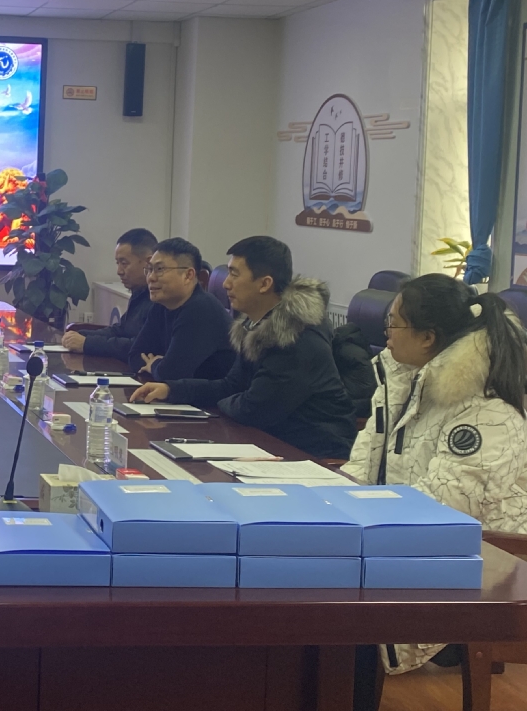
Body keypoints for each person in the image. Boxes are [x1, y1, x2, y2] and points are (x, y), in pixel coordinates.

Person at [341, 275, 527, 697]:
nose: (385, 334)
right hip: (402, 537)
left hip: (480, 561)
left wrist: (363, 528)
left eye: (393, 324)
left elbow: (447, 508)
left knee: (340, 616)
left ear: (428, 337)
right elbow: (363, 463)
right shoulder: (402, 383)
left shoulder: (488, 410)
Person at [131, 236, 356, 459]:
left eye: (235, 274)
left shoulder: (296, 338)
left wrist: (224, 400)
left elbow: (254, 410)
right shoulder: (255, 326)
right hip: (267, 443)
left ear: (264, 284)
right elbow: (230, 386)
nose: (226, 283)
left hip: (313, 455)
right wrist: (171, 390)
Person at [127, 237, 234, 381]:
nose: (151, 278)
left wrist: (155, 364)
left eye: (160, 269)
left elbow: (170, 374)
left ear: (188, 275)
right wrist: (160, 365)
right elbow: (135, 356)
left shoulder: (200, 309)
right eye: (150, 269)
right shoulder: (161, 305)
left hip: (211, 395)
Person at [61, 228, 157, 360]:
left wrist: (87, 343)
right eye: (118, 263)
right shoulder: (139, 291)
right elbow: (120, 330)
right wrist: (81, 335)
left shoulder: (160, 298)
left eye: (124, 263)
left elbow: (139, 347)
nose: (119, 271)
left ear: (148, 262)